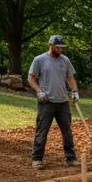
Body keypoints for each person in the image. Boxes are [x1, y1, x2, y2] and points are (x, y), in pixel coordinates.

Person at [27, 34, 79, 169]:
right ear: (51, 46)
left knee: (67, 131)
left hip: (63, 102)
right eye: (58, 47)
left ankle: (70, 158)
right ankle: (37, 159)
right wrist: (39, 91)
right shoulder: (39, 60)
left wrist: (75, 91)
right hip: (46, 102)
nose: (60, 50)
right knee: (42, 131)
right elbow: (31, 78)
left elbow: (71, 78)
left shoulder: (65, 60)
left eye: (62, 48)